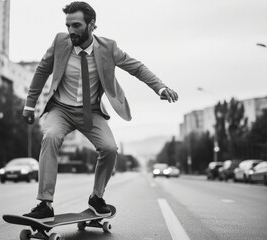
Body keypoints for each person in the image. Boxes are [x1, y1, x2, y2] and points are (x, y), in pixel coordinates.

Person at [22, 1, 178, 221]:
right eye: (68, 25)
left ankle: (96, 198)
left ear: (91, 25)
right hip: (61, 109)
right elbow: (41, 70)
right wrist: (30, 104)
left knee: (110, 148)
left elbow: (137, 68)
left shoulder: (108, 48)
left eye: (76, 25)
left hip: (91, 111)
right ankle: (45, 203)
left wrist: (160, 87)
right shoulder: (60, 42)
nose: (71, 31)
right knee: (51, 137)